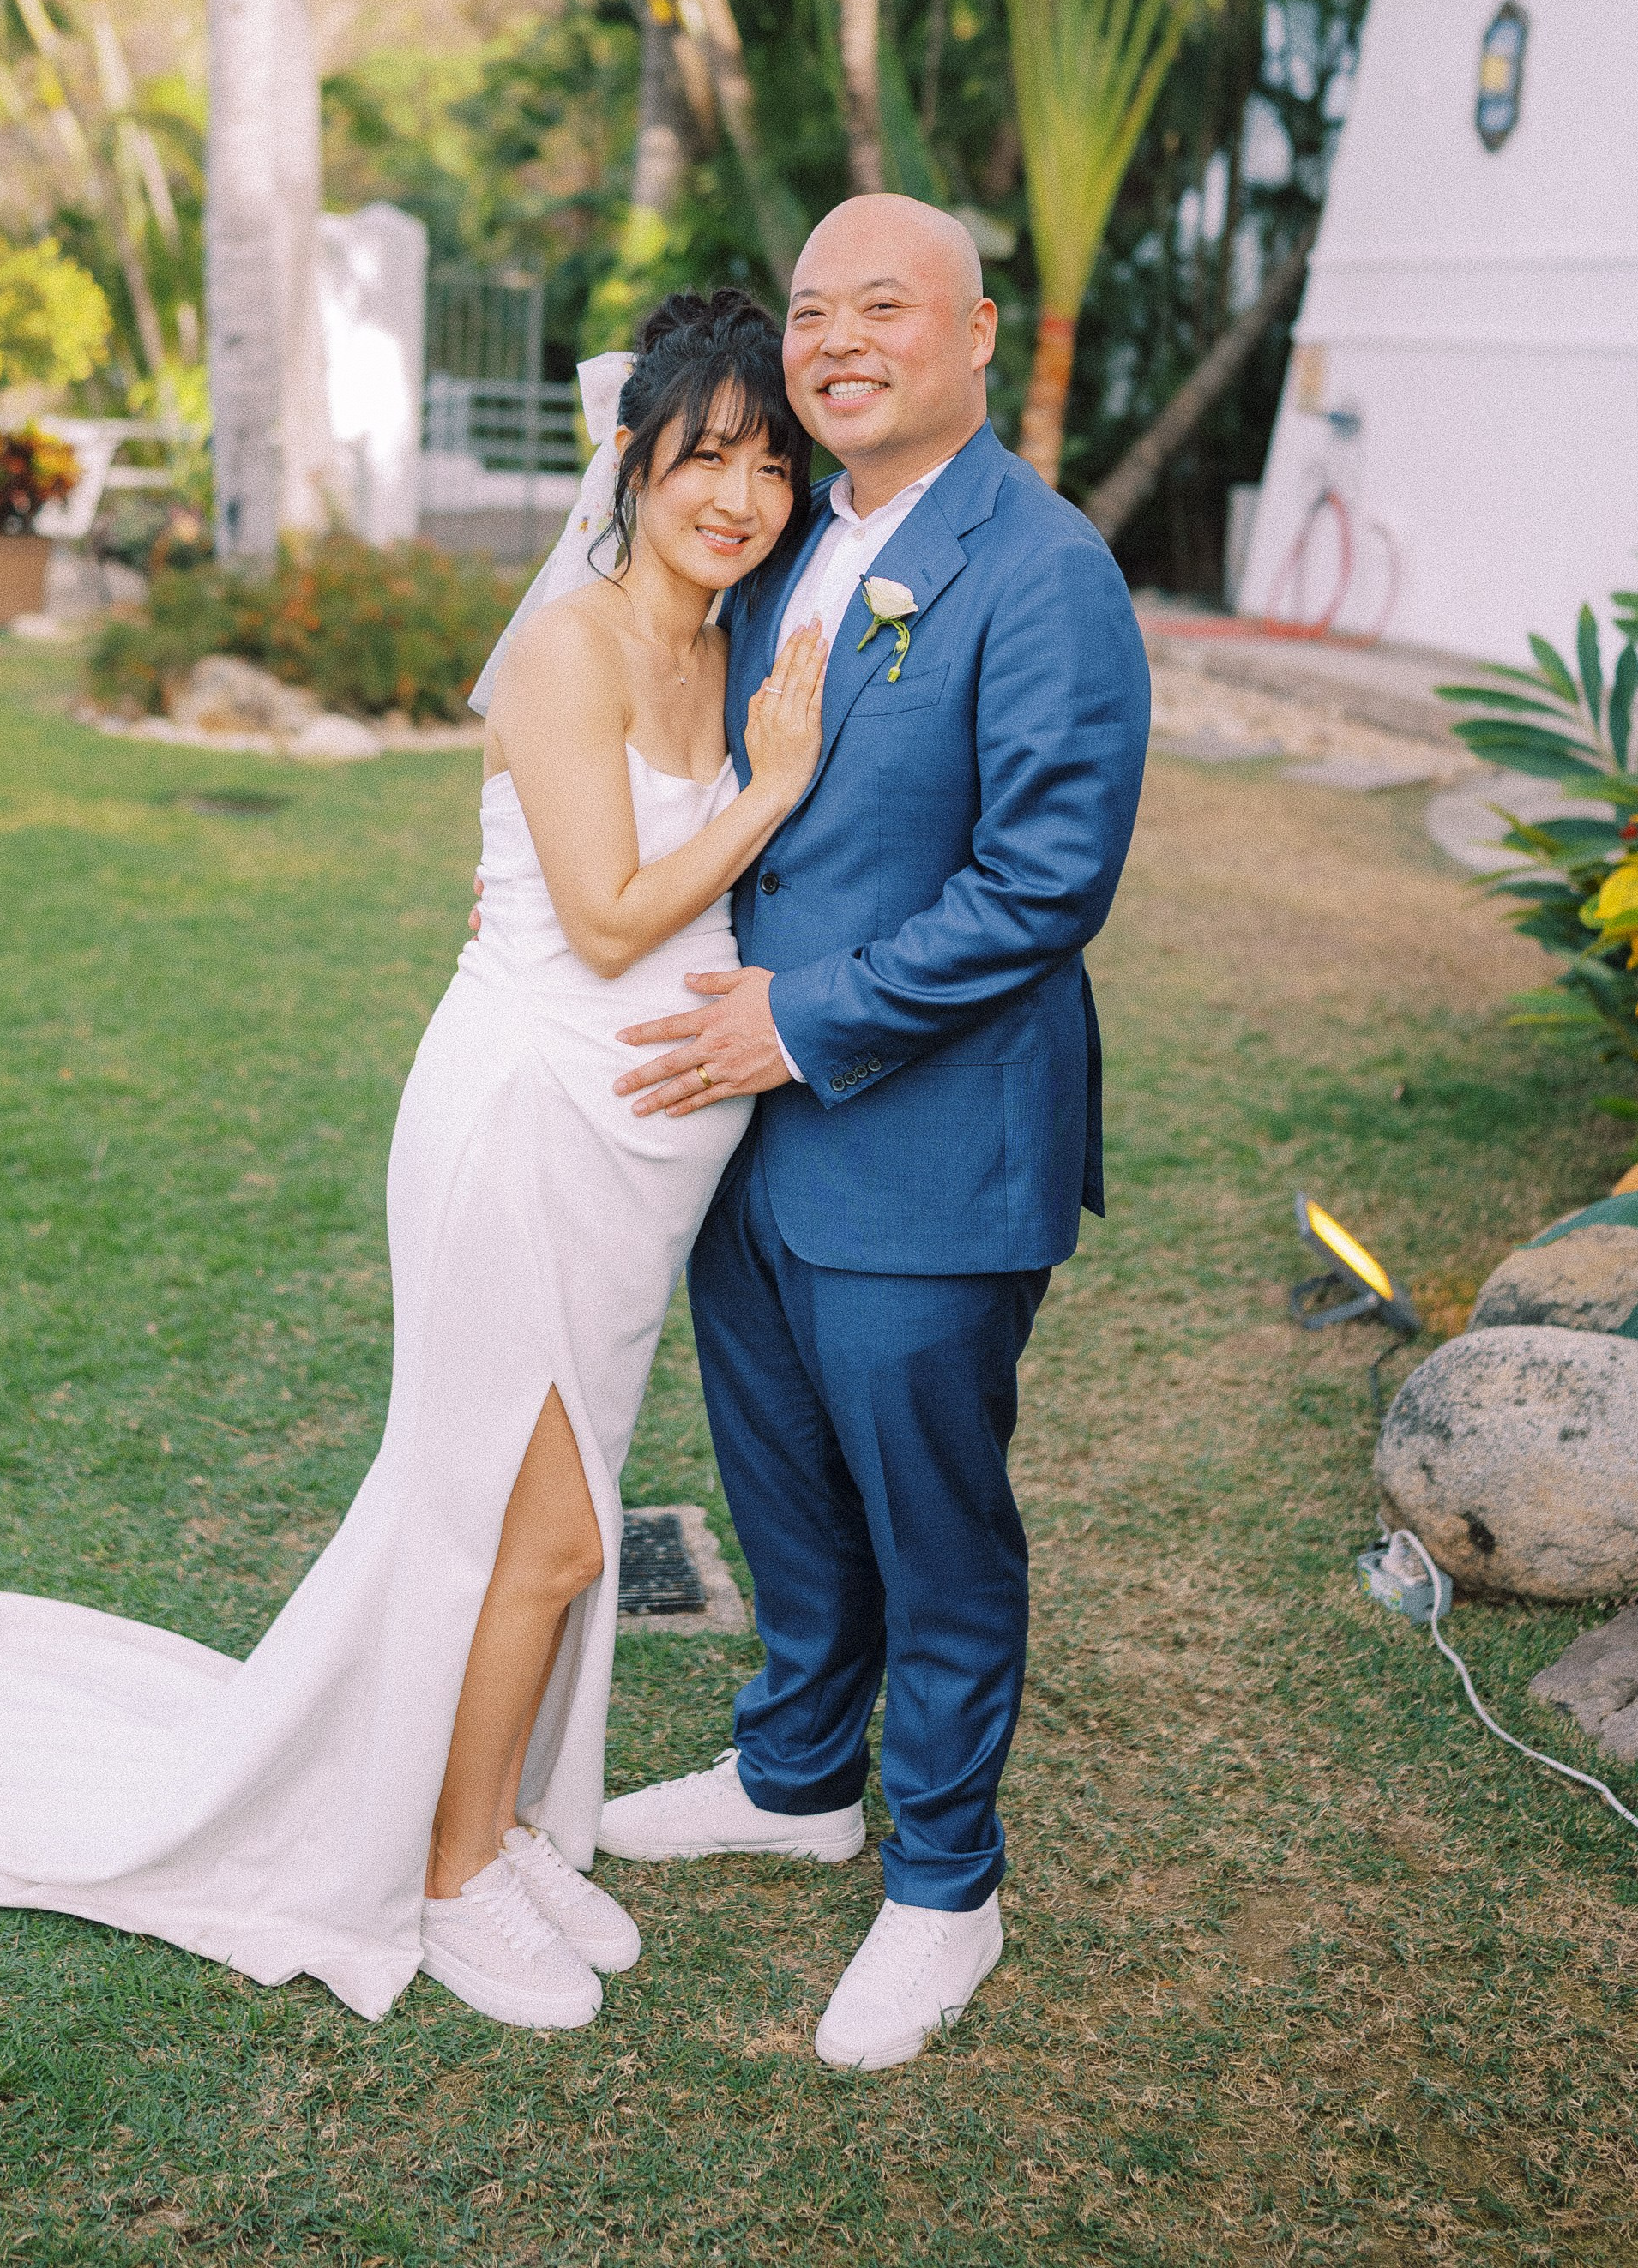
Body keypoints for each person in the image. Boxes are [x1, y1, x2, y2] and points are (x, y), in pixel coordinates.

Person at [0, 291, 825, 2031]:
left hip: (645, 1157)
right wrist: (771, 789)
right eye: (706, 451)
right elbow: (604, 914)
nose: (738, 492)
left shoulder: (728, 643)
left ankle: (491, 1828)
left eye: (770, 463)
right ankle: (445, 1873)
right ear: (634, 456)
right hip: (524, 1122)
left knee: (522, 1527)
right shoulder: (569, 645)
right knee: (532, 1531)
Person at [599, 195, 1150, 2071]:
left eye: (882, 307)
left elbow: (1044, 884)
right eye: (813, 309)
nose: (838, 338)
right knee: (778, 1484)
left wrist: (800, 1019)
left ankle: (943, 1885)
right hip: (741, 1139)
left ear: (975, 331)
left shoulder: (1042, 566)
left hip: (925, 1142)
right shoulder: (781, 542)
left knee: (933, 1525)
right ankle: (793, 1778)